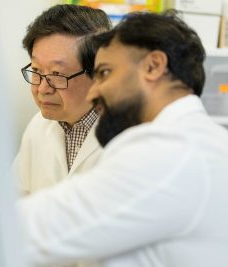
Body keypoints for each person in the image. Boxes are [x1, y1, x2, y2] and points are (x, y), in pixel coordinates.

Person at [19, 11, 228, 267]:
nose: (94, 90)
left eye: (105, 73)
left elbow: (38, 229)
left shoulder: (173, 151)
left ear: (153, 66)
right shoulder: (197, 140)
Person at [13, 4, 112, 195]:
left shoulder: (127, 136)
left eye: (57, 74)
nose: (42, 89)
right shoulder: (38, 126)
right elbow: (15, 197)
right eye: (36, 71)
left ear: (98, 73)